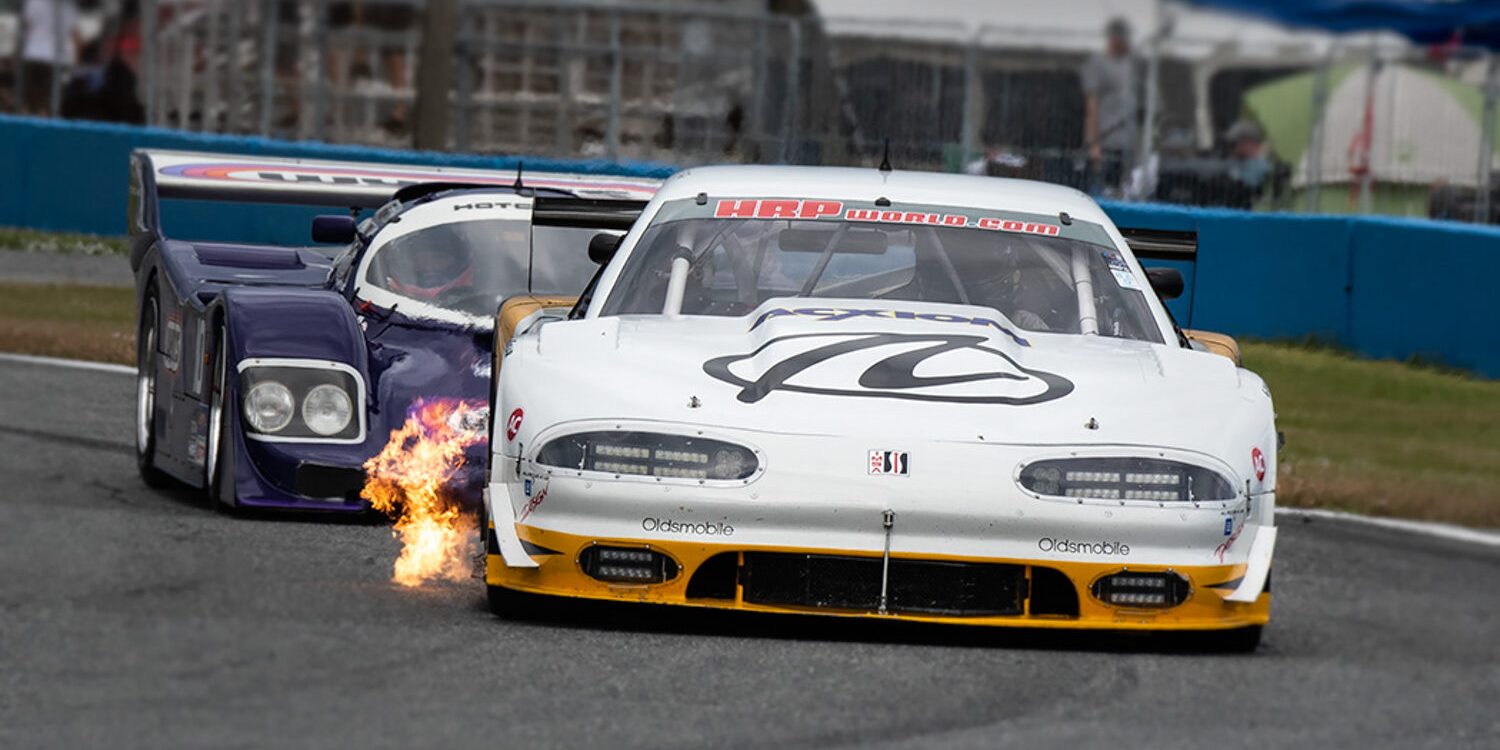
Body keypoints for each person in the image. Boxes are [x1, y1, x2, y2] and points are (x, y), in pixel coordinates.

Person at [1081, 17, 1141, 197]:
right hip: (1105, 142)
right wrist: (1094, 145)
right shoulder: (1097, 63)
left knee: (1123, 190)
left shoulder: (1133, 65)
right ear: (1114, 38)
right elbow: (1091, 107)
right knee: (1098, 190)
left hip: (1127, 143)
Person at [19, 0, 83, 116]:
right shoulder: (69, 7)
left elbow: (25, 29)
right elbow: (77, 38)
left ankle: (26, 125)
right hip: (56, 59)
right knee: (47, 104)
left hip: (32, 55)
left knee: (28, 101)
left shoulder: (33, 3)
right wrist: (77, 64)